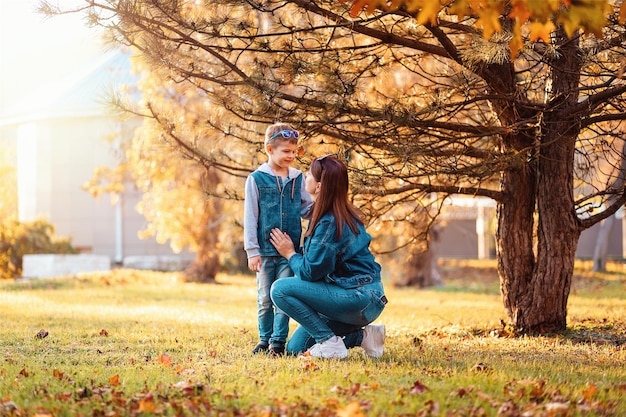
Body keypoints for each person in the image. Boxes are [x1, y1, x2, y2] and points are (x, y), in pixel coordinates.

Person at [269, 155, 387, 359]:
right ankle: (364, 337)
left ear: (319, 186)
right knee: (297, 348)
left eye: (310, 174)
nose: (306, 176)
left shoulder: (330, 222)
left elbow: (309, 272)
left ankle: (329, 343)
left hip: (358, 297)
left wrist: (289, 253)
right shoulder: (335, 214)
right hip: (358, 297)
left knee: (279, 289)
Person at [244, 123, 313, 356]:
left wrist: (324, 206)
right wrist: (252, 251)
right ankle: (264, 339)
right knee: (264, 298)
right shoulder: (256, 179)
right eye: (285, 151)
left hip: (288, 253)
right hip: (264, 252)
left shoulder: (297, 178)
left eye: (294, 152)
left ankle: (277, 343)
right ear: (269, 149)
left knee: (283, 298)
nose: (291, 156)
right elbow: (251, 217)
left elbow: (306, 209)